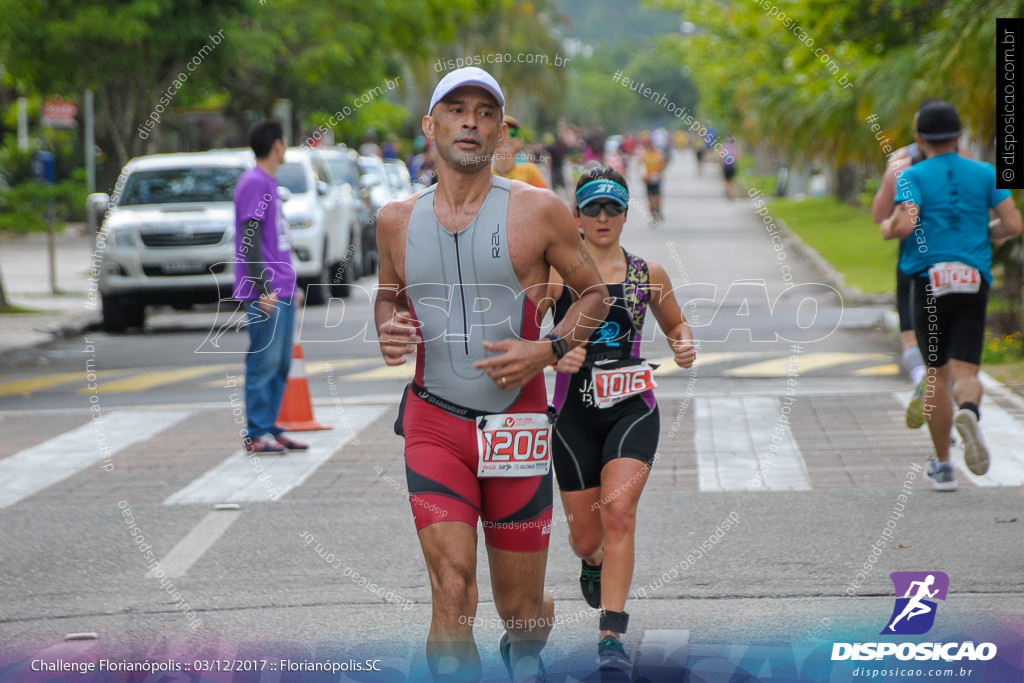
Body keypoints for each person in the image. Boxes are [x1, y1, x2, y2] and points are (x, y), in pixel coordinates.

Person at [374, 66, 609, 681]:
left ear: (501, 130)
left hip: (517, 424)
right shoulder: (396, 219)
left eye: (484, 111)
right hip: (435, 422)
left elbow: (595, 296)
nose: (470, 121)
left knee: (519, 613)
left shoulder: (540, 211)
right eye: (456, 110)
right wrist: (388, 325)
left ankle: (530, 630)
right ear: (431, 125)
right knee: (452, 591)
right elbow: (388, 296)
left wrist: (548, 349)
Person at [542, 167, 695, 674]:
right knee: (588, 539)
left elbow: (676, 323)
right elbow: (523, 333)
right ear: (576, 217)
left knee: (621, 513)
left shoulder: (647, 273)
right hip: (572, 416)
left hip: (632, 409)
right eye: (592, 208)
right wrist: (552, 355)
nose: (603, 217)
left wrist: (684, 342)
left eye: (613, 207)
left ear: (627, 213)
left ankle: (612, 635)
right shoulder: (557, 276)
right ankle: (592, 564)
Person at [881, 101, 1022, 491]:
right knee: (965, 371)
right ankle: (971, 413)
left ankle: (943, 465)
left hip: (930, 279)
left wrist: (889, 228)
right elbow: (1013, 224)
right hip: (974, 276)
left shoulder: (913, 176)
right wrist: (981, 233)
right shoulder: (986, 173)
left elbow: (907, 223)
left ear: (920, 139)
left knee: (935, 376)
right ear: (958, 137)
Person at [232, 120, 308, 455]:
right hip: (266, 291)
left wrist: (292, 285)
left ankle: (271, 429)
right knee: (263, 362)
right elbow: (249, 240)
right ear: (277, 145)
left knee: (280, 365)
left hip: (282, 287)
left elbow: (274, 241)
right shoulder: (255, 183)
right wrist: (263, 287)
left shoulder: (269, 183)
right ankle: (257, 432)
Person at [871, 99, 940, 430]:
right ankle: (959, 409)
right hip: (965, 267)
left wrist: (889, 227)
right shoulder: (972, 165)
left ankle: (919, 379)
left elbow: (884, 218)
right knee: (954, 354)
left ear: (918, 132)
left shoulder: (904, 165)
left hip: (916, 265)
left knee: (912, 335)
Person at [493, 115, 547, 188]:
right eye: (500, 133)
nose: (506, 137)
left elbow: (544, 198)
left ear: (520, 141)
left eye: (513, 133)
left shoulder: (530, 172)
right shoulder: (482, 175)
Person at [639, 132, 665, 223]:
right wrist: (643, 176)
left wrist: (659, 173)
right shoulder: (644, 155)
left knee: (657, 197)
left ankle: (657, 208)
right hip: (648, 180)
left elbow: (663, 164)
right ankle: (652, 216)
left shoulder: (658, 154)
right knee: (650, 198)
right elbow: (641, 166)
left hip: (657, 179)